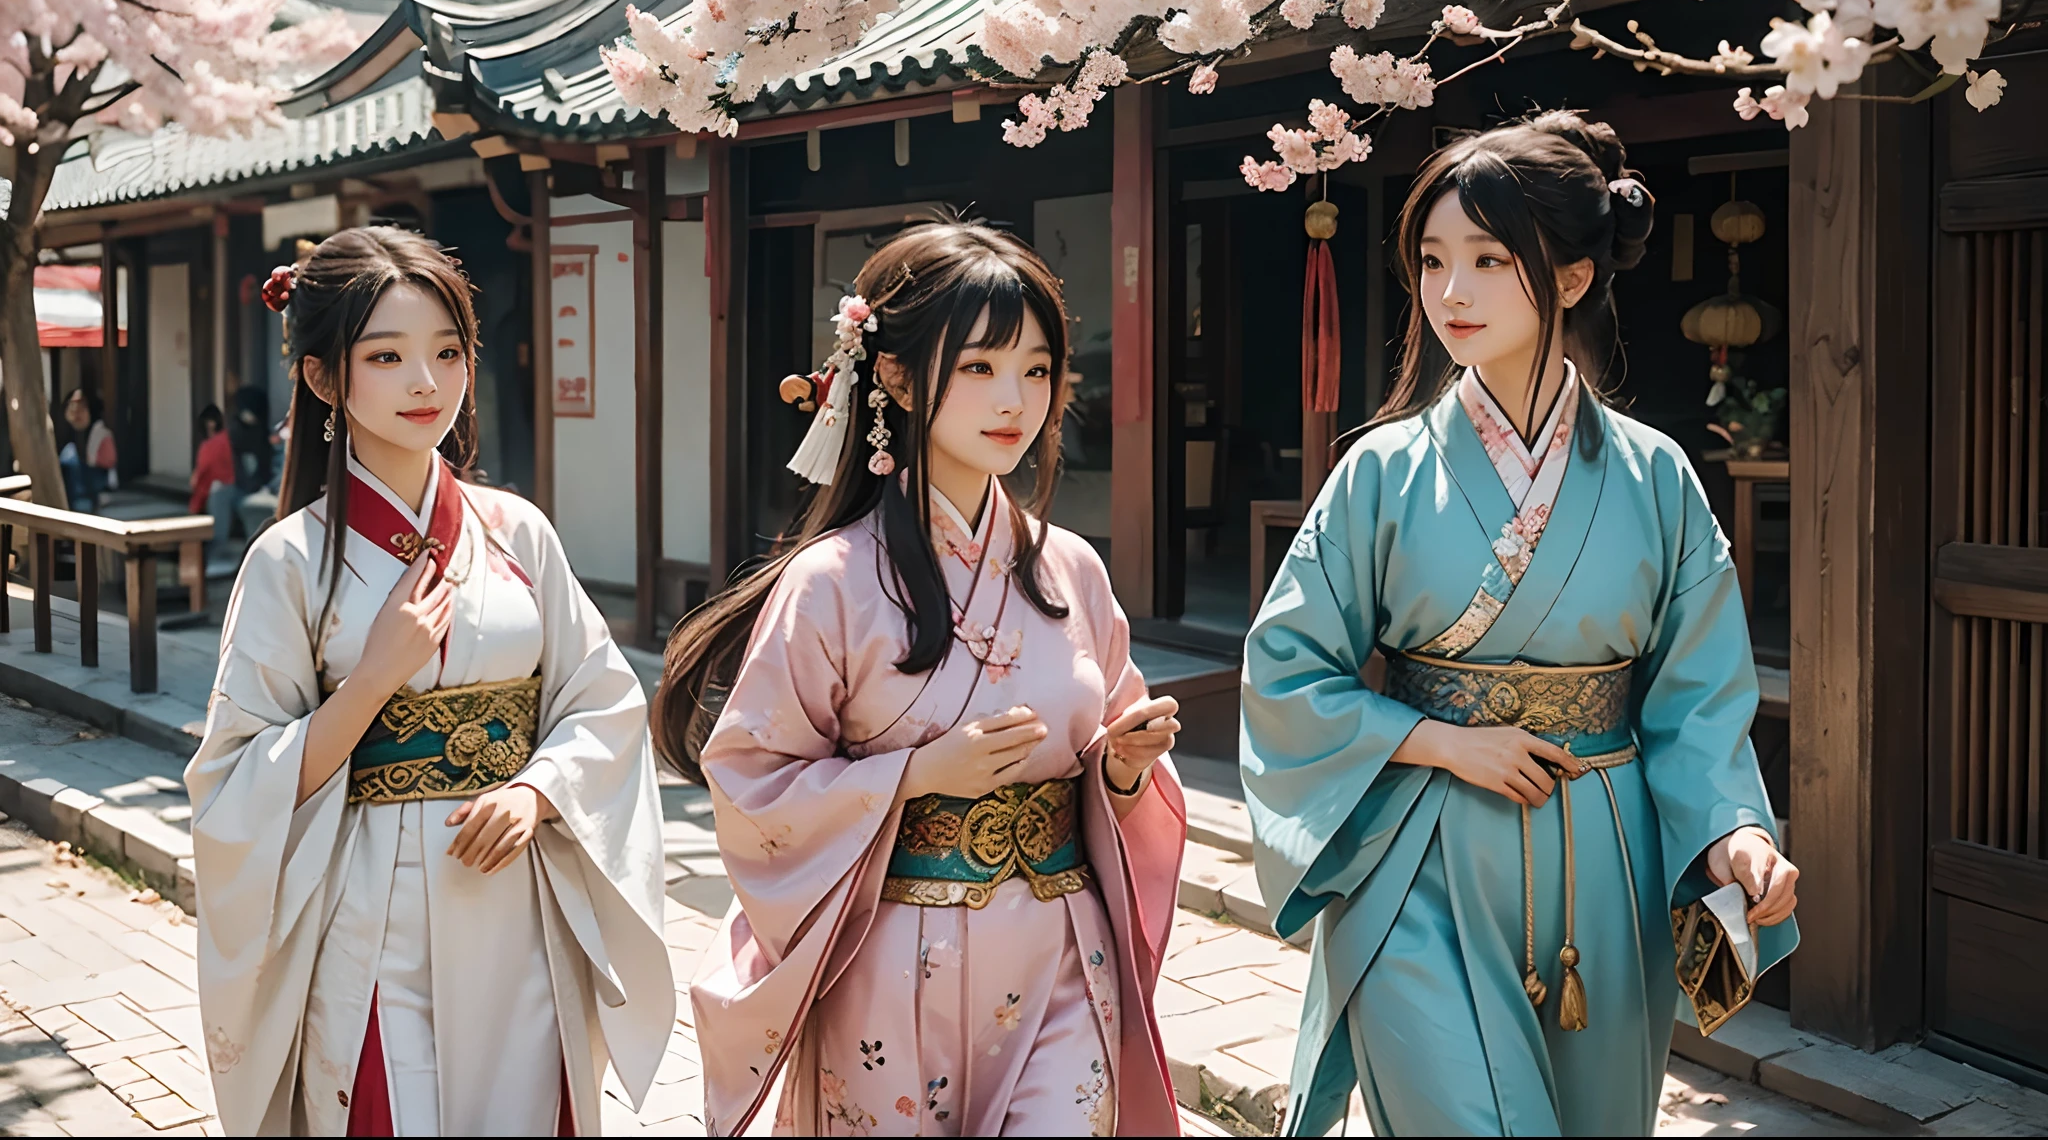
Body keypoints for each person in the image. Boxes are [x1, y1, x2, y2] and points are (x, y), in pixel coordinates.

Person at [1240, 113, 1800, 1137]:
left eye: (1489, 260)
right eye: (1430, 260)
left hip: (1602, 855)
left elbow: (1699, 695)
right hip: (1416, 847)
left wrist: (1732, 832)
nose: (1449, 291)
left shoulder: (1654, 475)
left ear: (1573, 278)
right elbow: (1285, 667)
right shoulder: (1377, 471)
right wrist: (1439, 739)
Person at [668, 222, 1187, 1137]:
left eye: (1036, 370)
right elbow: (752, 779)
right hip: (890, 959)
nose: (1015, 400)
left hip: (1060, 952)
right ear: (899, 380)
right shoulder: (828, 581)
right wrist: (915, 775)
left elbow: (1110, 731)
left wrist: (1121, 771)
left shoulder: (1071, 568)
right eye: (981, 368)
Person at [184, 228, 673, 1136]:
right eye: (388, 356)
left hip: (516, 900)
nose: (426, 382)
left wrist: (539, 790)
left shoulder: (518, 533)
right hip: (372, 917)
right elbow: (230, 783)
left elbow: (601, 699)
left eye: (447, 352)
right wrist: (371, 681)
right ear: (327, 379)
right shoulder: (289, 562)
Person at [189, 404, 239, 574]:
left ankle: (213, 565)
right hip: (232, 488)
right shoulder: (228, 439)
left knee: (216, 535)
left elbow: (201, 475)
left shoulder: (210, 446)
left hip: (215, 492)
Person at [58, 387, 117, 511]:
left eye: (82, 405)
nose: (76, 410)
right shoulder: (63, 432)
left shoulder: (100, 432)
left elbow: (109, 460)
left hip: (94, 481)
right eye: (72, 405)